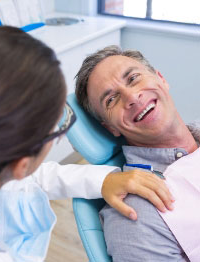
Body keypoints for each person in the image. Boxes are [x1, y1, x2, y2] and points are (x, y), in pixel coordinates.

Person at [0, 27, 171, 262]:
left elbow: (40, 179)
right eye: (60, 124)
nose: (131, 97)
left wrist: (103, 179)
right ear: (21, 165)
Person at [75, 45, 198, 261]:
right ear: (110, 127)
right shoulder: (135, 217)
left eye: (133, 78)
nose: (131, 96)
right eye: (111, 100)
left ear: (161, 79)